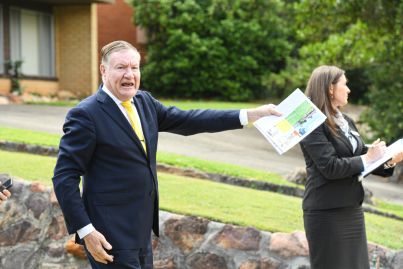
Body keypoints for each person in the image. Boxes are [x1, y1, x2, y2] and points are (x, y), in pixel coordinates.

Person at [52, 40, 282, 269]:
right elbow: (64, 177)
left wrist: (250, 115)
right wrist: (87, 231)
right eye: (121, 67)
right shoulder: (86, 114)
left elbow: (191, 119)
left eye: (135, 67)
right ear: (104, 70)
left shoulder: (145, 103)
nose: (129, 74)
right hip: (109, 233)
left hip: (141, 232)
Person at [300, 65, 403, 269]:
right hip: (326, 212)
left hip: (351, 209)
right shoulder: (310, 122)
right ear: (330, 88)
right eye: (345, 85)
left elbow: (360, 157)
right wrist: (368, 157)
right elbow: (330, 167)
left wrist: (390, 159)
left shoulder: (346, 121)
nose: (348, 90)